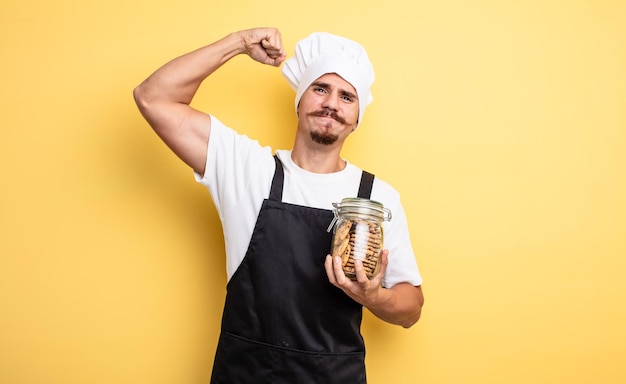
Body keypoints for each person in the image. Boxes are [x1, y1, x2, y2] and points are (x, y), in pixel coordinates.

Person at [133, 27, 424, 384]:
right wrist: (237, 44)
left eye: (347, 96)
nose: (332, 103)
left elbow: (411, 309)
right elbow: (153, 97)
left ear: (357, 117)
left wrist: (374, 296)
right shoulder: (246, 169)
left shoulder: (375, 199)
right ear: (300, 100)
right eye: (320, 89)